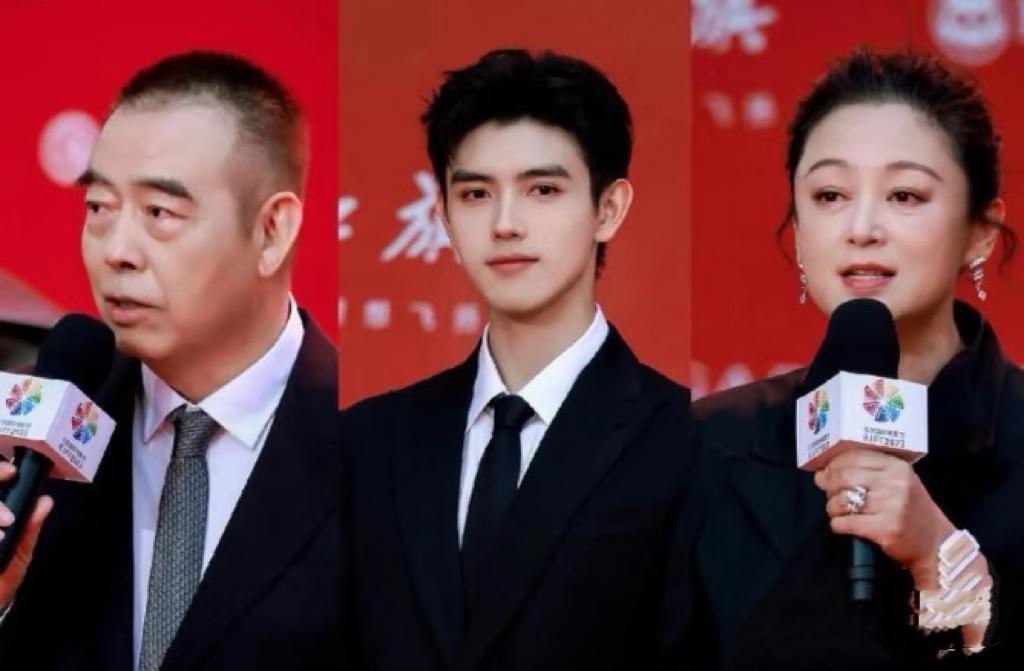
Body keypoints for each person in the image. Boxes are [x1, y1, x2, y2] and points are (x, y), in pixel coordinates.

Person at [341, 48, 691, 670]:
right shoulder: (369, 442)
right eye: (476, 193)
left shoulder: (685, 443)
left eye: (543, 190)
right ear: (444, 216)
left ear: (608, 209)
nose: (505, 223)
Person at [675, 48, 1024, 670]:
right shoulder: (708, 447)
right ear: (797, 228)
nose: (861, 228)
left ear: (979, 231)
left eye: (905, 195)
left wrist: (942, 559)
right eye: (830, 194)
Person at [0, 51, 344, 670]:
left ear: (272, 230)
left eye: (160, 213)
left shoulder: (389, 454)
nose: (117, 251)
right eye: (99, 207)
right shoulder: (36, 435)